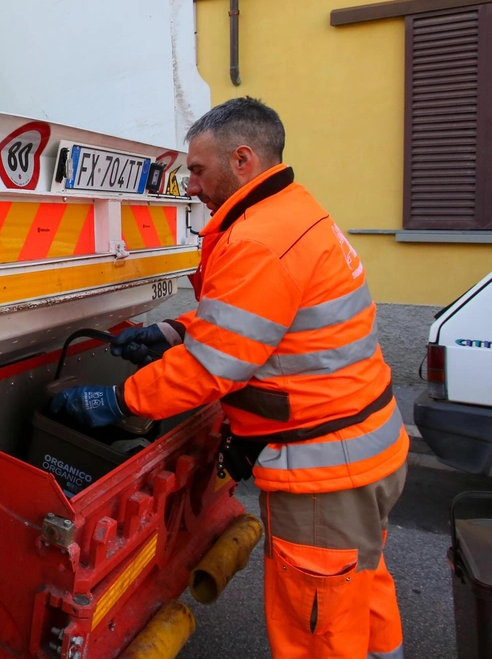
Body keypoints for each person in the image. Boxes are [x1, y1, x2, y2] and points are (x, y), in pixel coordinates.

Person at [52, 97, 408, 658]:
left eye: (197, 169)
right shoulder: (293, 213)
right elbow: (259, 317)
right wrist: (173, 330)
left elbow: (209, 369)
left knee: (317, 634)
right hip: (365, 456)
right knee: (361, 597)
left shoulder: (258, 241)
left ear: (242, 159)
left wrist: (118, 399)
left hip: (324, 475)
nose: (189, 185)